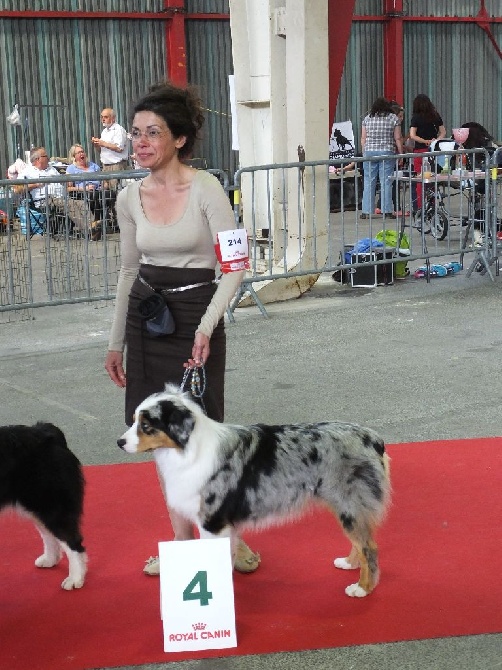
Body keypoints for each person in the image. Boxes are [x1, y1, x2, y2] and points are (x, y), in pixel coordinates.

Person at [104, 80, 261, 576]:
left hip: (198, 318)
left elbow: (235, 267)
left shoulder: (208, 188)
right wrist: (115, 343)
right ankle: (180, 545)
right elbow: (129, 272)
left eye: (153, 133)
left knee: (206, 436)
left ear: (179, 139)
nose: (141, 142)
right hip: (146, 320)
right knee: (158, 437)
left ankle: (228, 541)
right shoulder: (129, 198)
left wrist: (207, 327)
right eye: (135, 133)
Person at [360, 97, 403, 219]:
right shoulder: (393, 118)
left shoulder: (367, 118)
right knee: (386, 181)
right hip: (386, 152)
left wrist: (364, 152)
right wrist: (401, 153)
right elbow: (398, 138)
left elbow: (363, 138)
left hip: (369, 152)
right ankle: (387, 210)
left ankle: (366, 211)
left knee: (369, 181)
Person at [408, 94, 446, 211]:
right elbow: (443, 132)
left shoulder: (416, 118)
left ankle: (420, 206)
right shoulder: (435, 116)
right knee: (432, 178)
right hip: (433, 151)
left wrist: (425, 141)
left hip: (419, 151)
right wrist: (435, 141)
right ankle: (432, 205)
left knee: (420, 179)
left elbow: (412, 135)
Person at [66, 143, 103, 240]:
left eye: (82, 152)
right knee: (94, 196)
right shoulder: (71, 168)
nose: (81, 154)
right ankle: (96, 224)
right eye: (78, 153)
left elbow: (104, 181)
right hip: (81, 192)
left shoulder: (93, 166)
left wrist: (104, 186)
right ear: (74, 156)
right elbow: (68, 188)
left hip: (97, 190)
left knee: (111, 194)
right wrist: (84, 188)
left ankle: (102, 225)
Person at [91, 108, 128, 189]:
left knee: (116, 191)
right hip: (105, 165)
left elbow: (119, 148)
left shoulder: (118, 130)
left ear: (113, 118)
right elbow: (101, 151)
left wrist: (103, 143)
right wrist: (97, 145)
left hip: (116, 166)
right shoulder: (104, 132)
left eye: (106, 117)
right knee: (106, 193)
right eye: (102, 117)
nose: (103, 119)